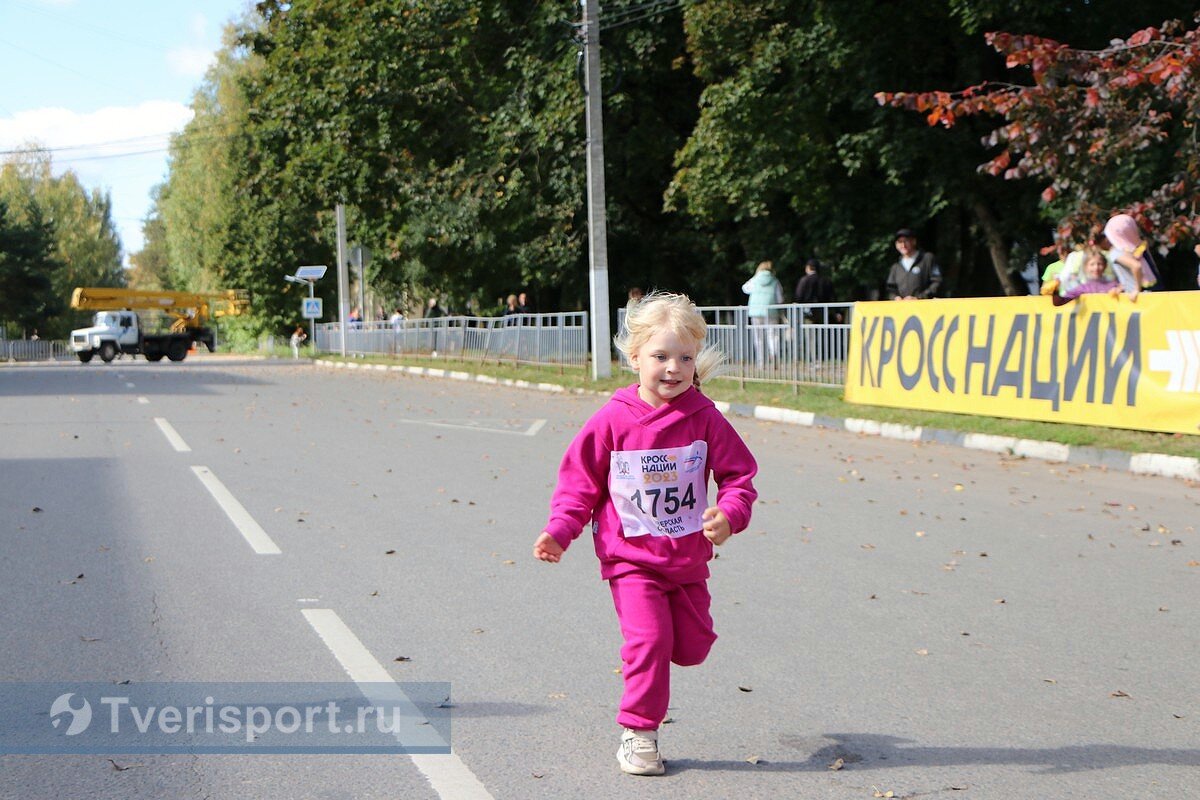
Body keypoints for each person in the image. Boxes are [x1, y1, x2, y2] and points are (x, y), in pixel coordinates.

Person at [532, 291, 758, 777]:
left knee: (692, 648)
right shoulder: (612, 420)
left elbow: (739, 477)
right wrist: (560, 531)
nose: (673, 368)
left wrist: (729, 513)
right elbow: (580, 483)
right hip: (630, 559)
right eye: (660, 356)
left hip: (687, 560)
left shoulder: (705, 418)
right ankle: (640, 733)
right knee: (650, 641)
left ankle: (663, 674)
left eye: (684, 357)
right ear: (634, 357)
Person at [1099, 214, 1158, 299]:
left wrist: (1137, 289)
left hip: (1136, 296)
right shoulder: (1139, 248)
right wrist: (1120, 287)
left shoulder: (1116, 252)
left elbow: (1136, 266)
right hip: (1151, 292)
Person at [741, 261, 783, 368]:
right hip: (771, 311)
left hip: (755, 311)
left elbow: (744, 288)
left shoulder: (754, 280)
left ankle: (761, 362)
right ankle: (774, 357)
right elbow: (780, 298)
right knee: (773, 335)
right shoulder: (775, 281)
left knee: (758, 337)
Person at [1051, 248, 1122, 305]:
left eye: (1099, 264)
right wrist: (1055, 289)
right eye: (1092, 264)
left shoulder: (1113, 285)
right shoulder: (1082, 288)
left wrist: (1119, 289)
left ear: (1105, 266)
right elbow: (1059, 302)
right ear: (1086, 267)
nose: (1096, 268)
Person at [886, 228, 943, 300]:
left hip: (925, 307)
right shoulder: (896, 266)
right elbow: (891, 288)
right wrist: (895, 297)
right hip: (902, 309)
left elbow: (937, 282)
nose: (903, 245)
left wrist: (919, 297)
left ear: (914, 241)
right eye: (900, 242)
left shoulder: (927, 258)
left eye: (906, 241)